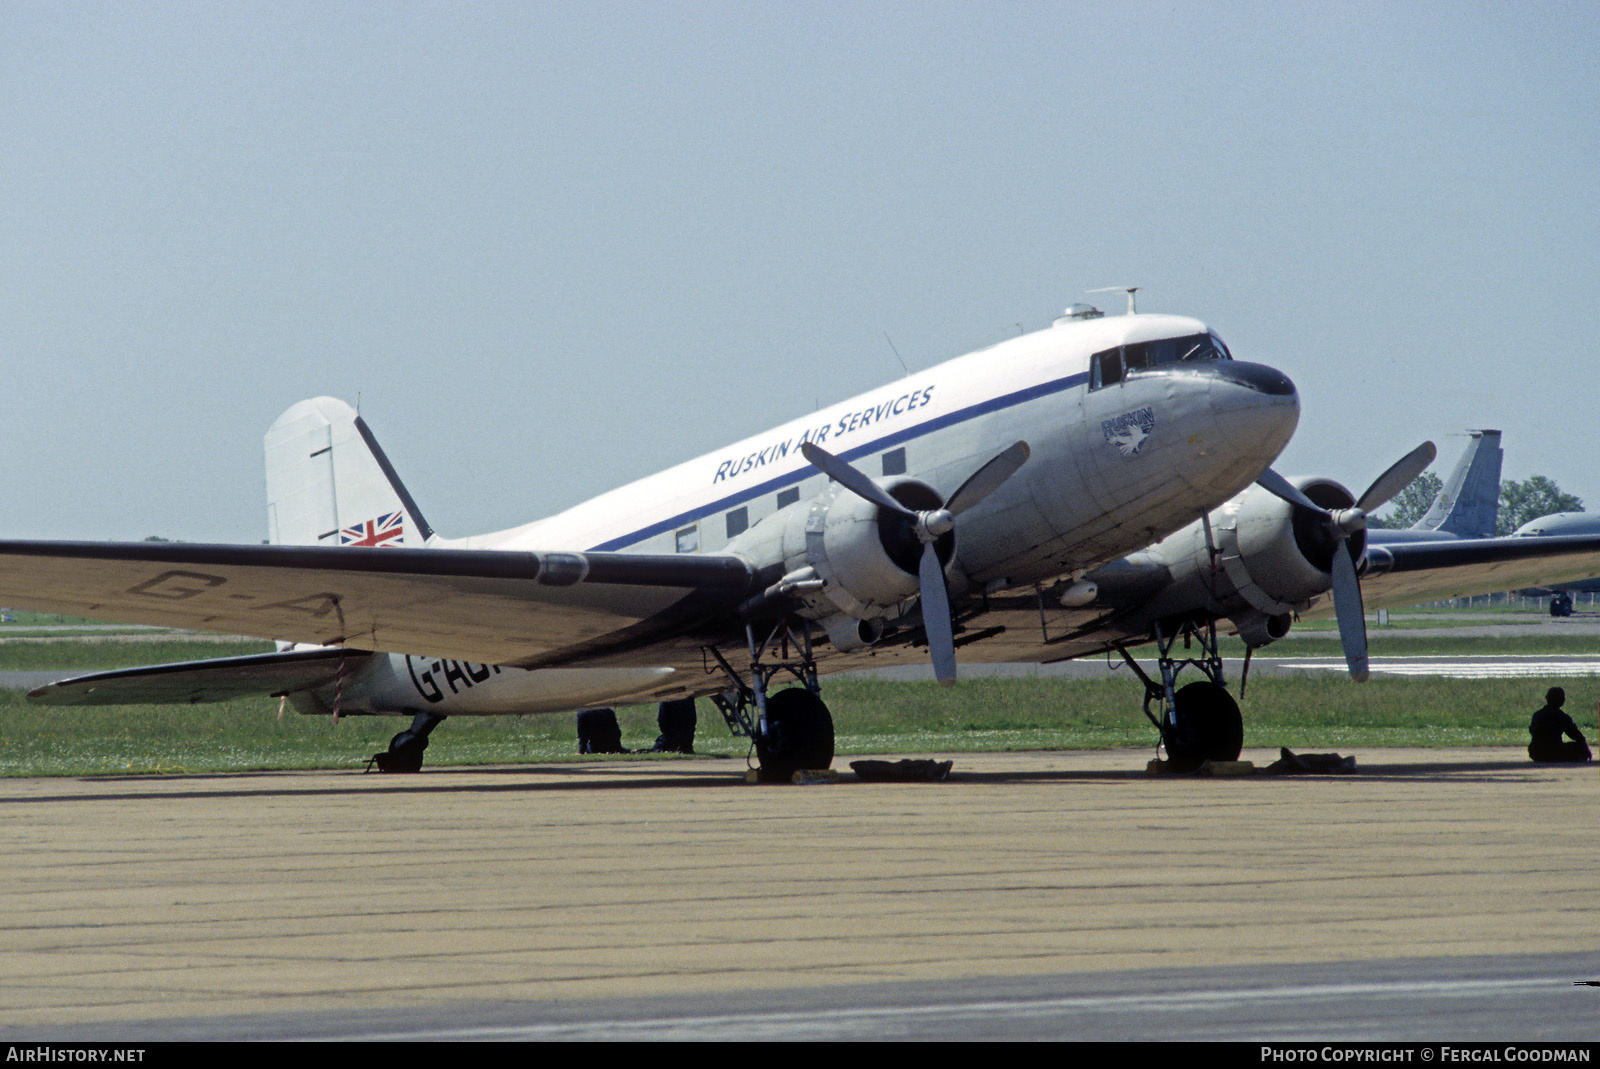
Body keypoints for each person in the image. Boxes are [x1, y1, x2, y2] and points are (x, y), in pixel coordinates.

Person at [1528, 687, 1591, 763]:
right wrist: (1585, 749)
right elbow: (1577, 736)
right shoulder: (1562, 717)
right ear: (1561, 700)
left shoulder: (1537, 715)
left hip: (1536, 752)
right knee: (1577, 747)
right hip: (1555, 751)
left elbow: (1532, 731)